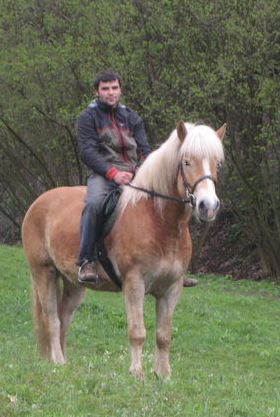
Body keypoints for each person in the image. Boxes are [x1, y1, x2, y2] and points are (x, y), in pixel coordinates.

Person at [75, 70, 198, 287]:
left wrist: (142, 170)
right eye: (105, 89)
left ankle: (174, 266)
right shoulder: (88, 117)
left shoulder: (132, 117)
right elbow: (87, 152)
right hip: (104, 175)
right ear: (97, 92)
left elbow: (144, 150)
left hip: (134, 174)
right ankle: (87, 260)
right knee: (94, 205)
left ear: (120, 90)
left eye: (114, 88)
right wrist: (113, 173)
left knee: (165, 203)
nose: (111, 93)